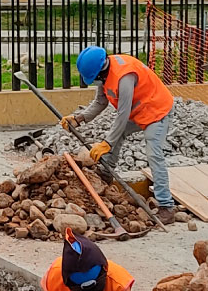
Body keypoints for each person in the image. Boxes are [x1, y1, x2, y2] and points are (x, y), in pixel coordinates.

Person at [63, 46, 177, 224]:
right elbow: (100, 102)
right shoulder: (105, 73)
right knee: (118, 136)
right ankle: (105, 175)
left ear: (101, 71)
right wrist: (79, 118)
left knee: (153, 154)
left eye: (95, 79)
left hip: (157, 111)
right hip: (138, 111)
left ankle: (166, 207)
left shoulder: (124, 76)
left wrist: (107, 142)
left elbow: (122, 114)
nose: (96, 82)